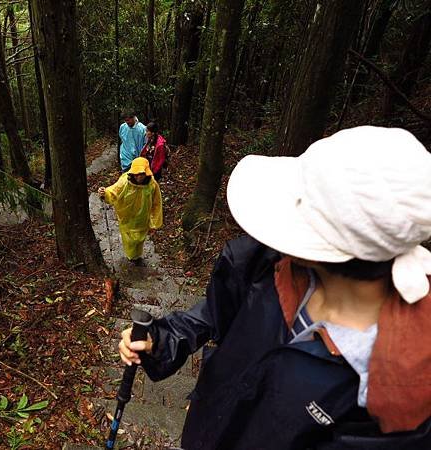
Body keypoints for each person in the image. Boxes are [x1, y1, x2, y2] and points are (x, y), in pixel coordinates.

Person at [118, 126, 431, 449]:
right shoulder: (263, 264)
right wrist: (162, 340)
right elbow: (210, 315)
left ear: (327, 249)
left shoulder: (403, 385)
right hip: (207, 427)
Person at [98, 157, 162, 265]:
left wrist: (155, 220)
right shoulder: (125, 181)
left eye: (141, 174)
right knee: (129, 240)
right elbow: (114, 190)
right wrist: (105, 193)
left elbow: (157, 202)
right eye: (136, 174)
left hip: (142, 218)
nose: (139, 177)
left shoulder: (152, 184)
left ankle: (136, 255)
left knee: (140, 239)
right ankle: (131, 256)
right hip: (127, 217)